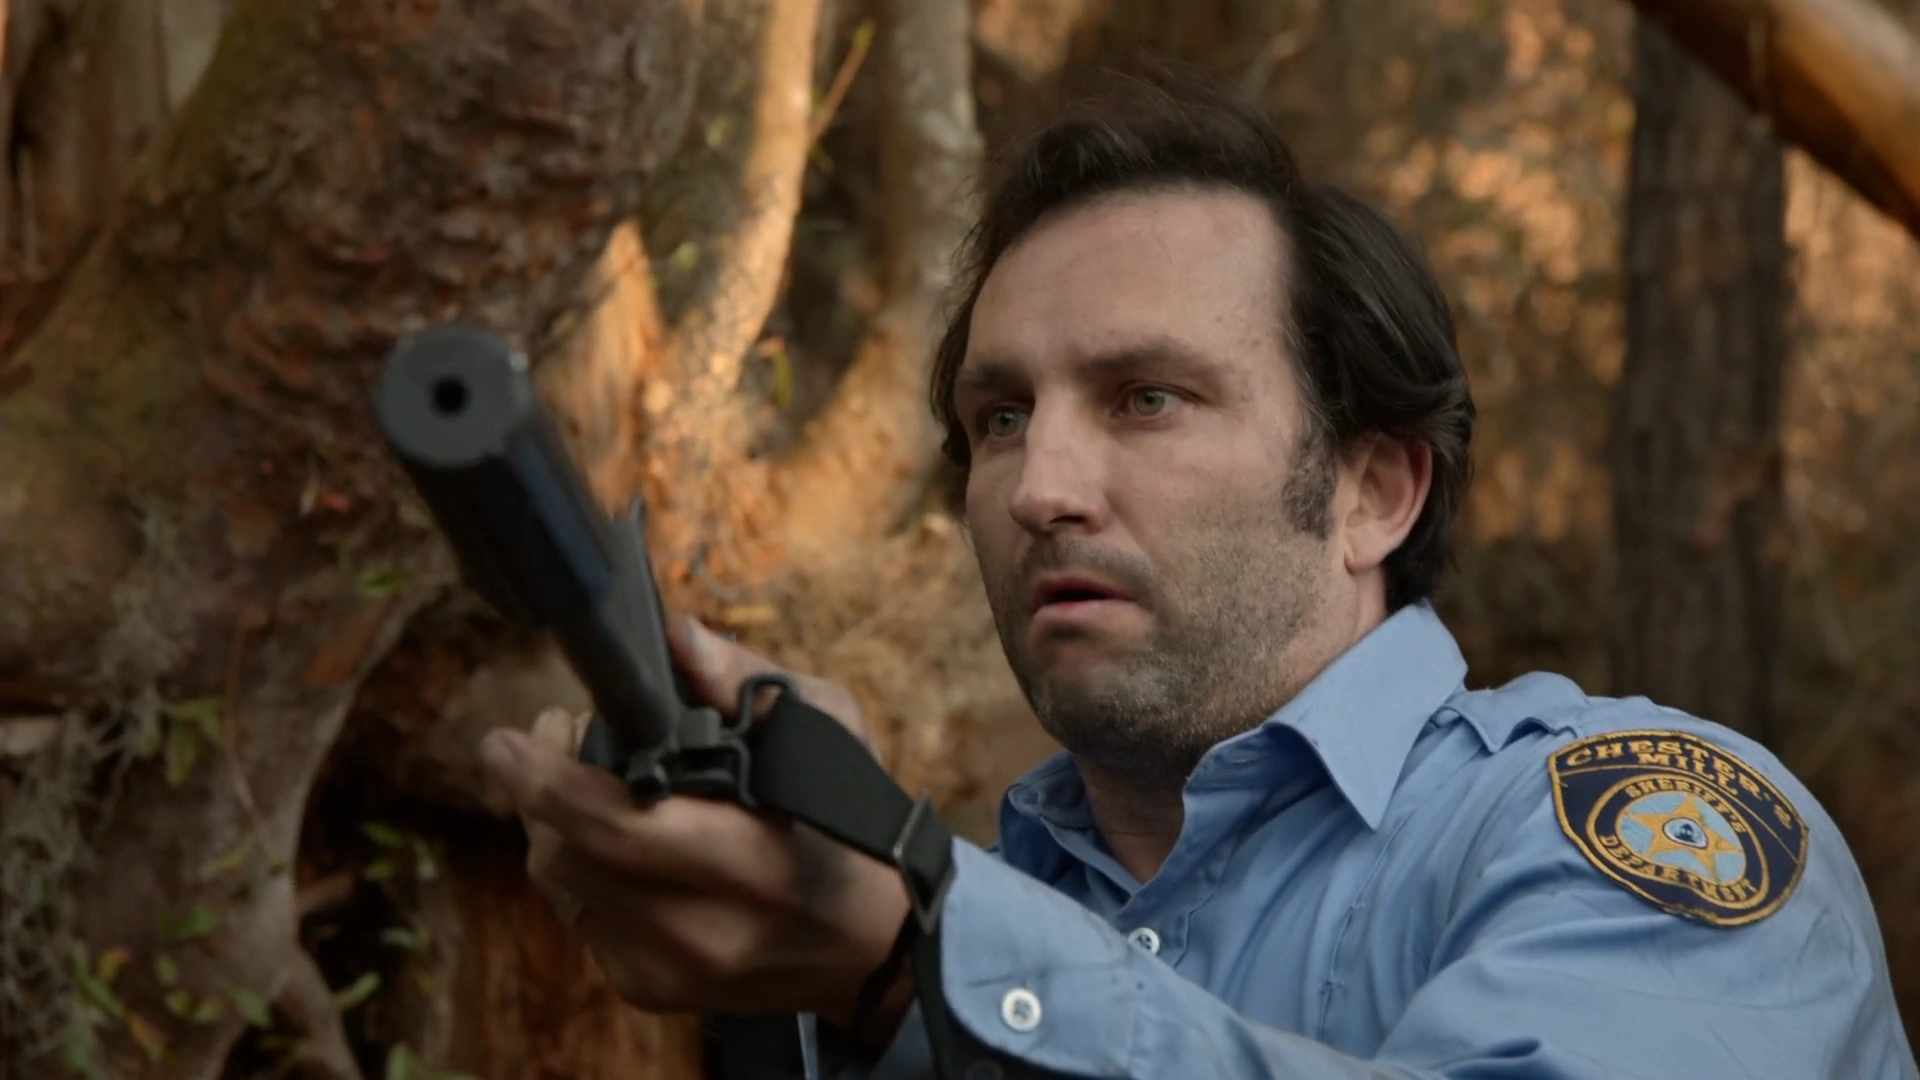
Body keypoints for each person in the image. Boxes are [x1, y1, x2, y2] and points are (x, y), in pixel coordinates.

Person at [476, 69, 1918, 1079]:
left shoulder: (1626, 825)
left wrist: (909, 961)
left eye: (1148, 398)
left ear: (1372, 490)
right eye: (1000, 417)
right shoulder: (993, 904)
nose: (1040, 486)